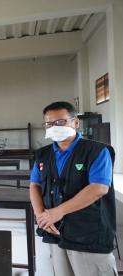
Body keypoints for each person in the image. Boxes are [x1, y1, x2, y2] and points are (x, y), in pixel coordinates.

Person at [30, 101, 117, 276]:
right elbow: (35, 185)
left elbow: (99, 188)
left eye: (60, 122)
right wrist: (42, 217)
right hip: (55, 232)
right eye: (49, 124)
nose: (54, 127)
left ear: (75, 123)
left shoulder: (96, 151)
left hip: (89, 234)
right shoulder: (43, 154)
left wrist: (57, 212)